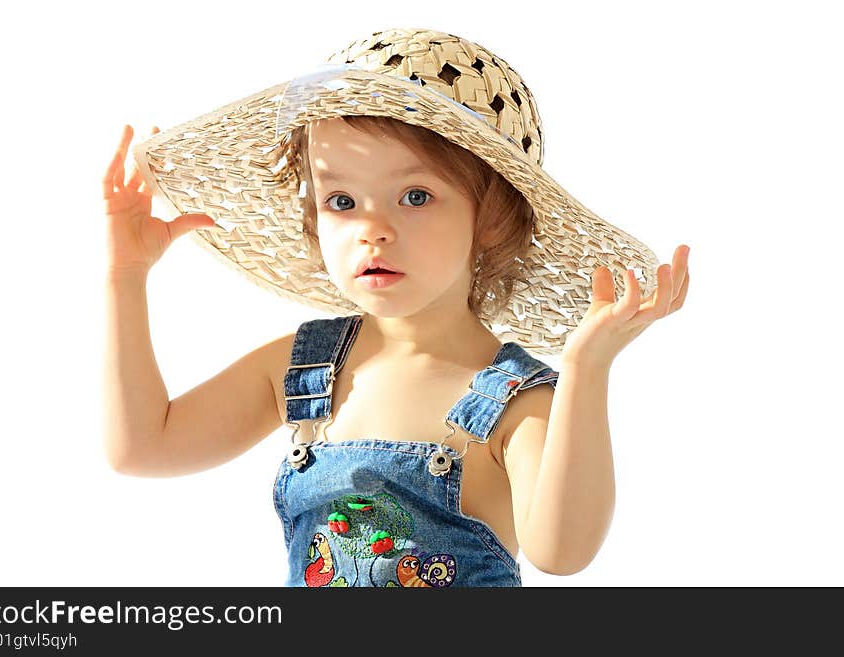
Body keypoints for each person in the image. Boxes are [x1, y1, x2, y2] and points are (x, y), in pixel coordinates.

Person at [102, 28, 690, 587]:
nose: (372, 229)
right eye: (341, 199)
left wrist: (587, 369)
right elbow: (144, 447)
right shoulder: (307, 368)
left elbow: (562, 552)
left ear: (490, 219)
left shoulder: (517, 400)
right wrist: (125, 278)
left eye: (415, 196)